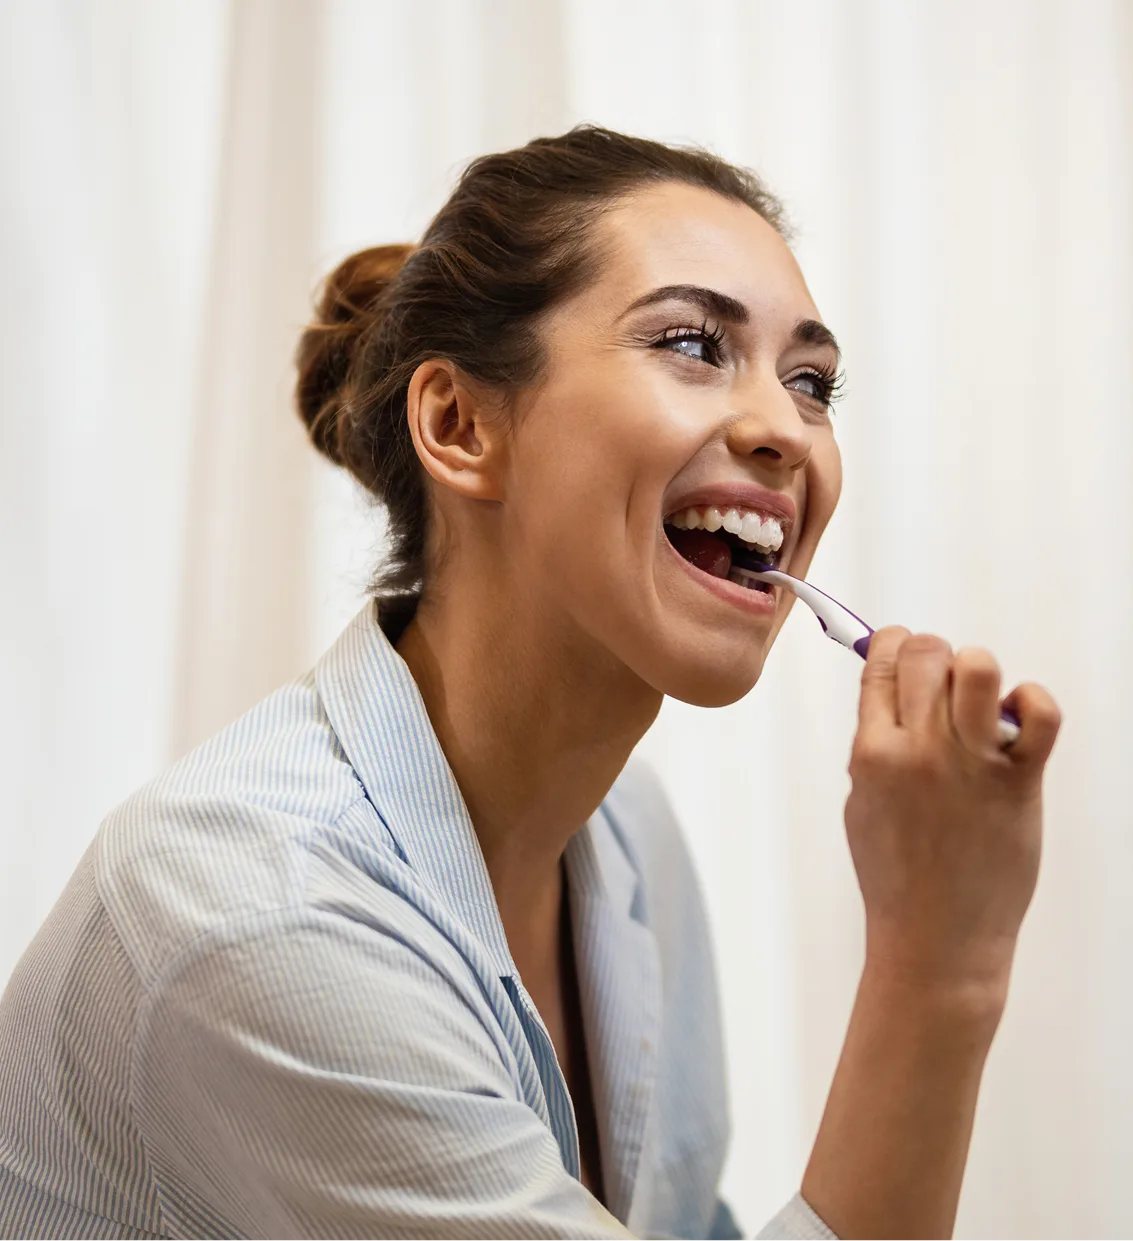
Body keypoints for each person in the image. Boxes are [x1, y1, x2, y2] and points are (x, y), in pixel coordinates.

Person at [0, 125, 1061, 1241]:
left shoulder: (630, 836)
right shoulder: (260, 909)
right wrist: (940, 964)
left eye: (811, 382)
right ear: (459, 425)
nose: (783, 432)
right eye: (693, 343)